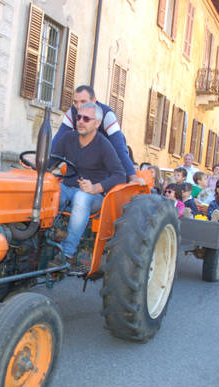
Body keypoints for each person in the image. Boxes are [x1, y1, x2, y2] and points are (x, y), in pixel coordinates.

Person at [50, 102, 126, 267]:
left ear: (97, 123)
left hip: (93, 197)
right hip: (68, 188)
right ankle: (42, 239)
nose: (81, 121)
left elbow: (120, 175)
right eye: (78, 117)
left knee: (81, 197)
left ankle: (67, 253)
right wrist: (35, 165)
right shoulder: (68, 138)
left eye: (86, 118)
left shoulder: (104, 145)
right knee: (49, 191)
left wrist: (95, 187)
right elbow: (51, 161)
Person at [51, 85, 143, 184]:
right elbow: (57, 140)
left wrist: (132, 176)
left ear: (94, 101)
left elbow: (119, 147)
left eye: (83, 102)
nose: (78, 106)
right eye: (75, 102)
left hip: (105, 162)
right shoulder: (72, 113)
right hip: (84, 161)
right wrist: (40, 162)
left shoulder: (107, 116)